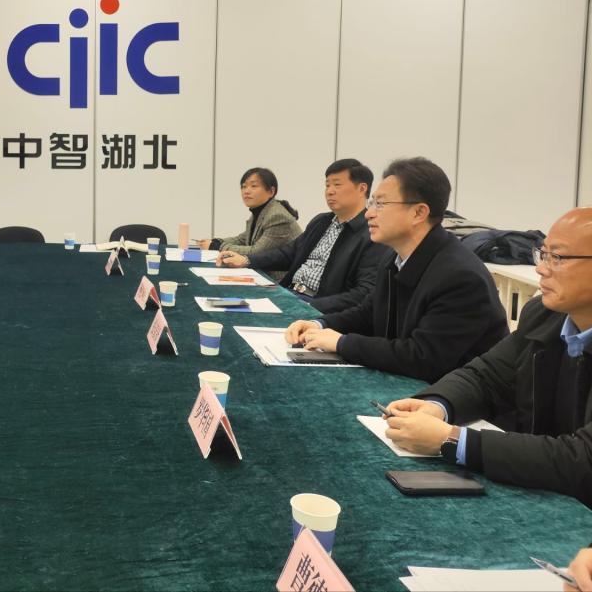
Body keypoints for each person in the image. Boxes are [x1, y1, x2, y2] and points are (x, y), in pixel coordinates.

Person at [381, 207, 592, 507]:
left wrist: (454, 440)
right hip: (547, 493)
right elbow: (486, 376)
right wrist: (438, 406)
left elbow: (583, 459)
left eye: (557, 258)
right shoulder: (544, 316)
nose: (541, 269)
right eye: (542, 255)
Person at [284, 157, 506, 382]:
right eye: (372, 203)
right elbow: (368, 313)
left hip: (450, 396)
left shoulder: (460, 277)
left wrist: (342, 343)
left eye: (380, 204)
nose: (369, 213)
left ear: (418, 213)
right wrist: (319, 324)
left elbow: (423, 358)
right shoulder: (394, 256)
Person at [216, 159, 385, 314]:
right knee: (223, 302)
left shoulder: (371, 233)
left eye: (337, 185)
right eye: (327, 185)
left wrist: (308, 306)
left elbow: (363, 293)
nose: (329, 191)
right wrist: (246, 260)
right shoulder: (322, 221)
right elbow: (288, 253)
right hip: (289, 294)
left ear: (362, 188)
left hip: (316, 306)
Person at [197, 167, 301, 280]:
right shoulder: (261, 211)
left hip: (280, 281)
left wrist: (217, 246)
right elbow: (242, 239)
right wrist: (216, 241)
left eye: (254, 186)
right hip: (261, 274)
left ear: (271, 191)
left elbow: (256, 252)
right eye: (244, 186)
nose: (246, 191)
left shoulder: (277, 216)